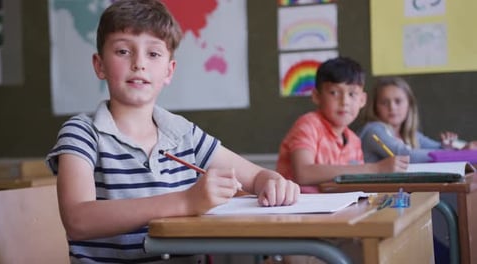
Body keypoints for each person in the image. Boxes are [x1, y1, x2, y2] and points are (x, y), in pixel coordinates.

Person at [45, 1, 300, 263]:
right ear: (100, 65)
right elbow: (79, 219)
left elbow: (256, 176)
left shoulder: (183, 133)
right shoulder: (82, 132)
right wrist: (186, 202)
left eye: (153, 54)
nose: (139, 64)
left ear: (169, 71)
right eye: (123, 51)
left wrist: (272, 182)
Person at [276, 57, 409, 194]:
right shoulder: (308, 125)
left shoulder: (354, 141)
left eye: (352, 94)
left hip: (335, 209)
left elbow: (355, 184)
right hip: (299, 211)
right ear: (316, 96)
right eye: (334, 93)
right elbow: (303, 173)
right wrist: (375, 169)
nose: (344, 101)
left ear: (362, 100)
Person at [359, 76, 477, 163]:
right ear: (375, 106)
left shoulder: (409, 134)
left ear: (409, 105)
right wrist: (458, 154)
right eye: (384, 102)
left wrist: (455, 147)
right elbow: (405, 155)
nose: (392, 107)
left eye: (398, 101)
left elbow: (436, 148)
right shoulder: (373, 131)